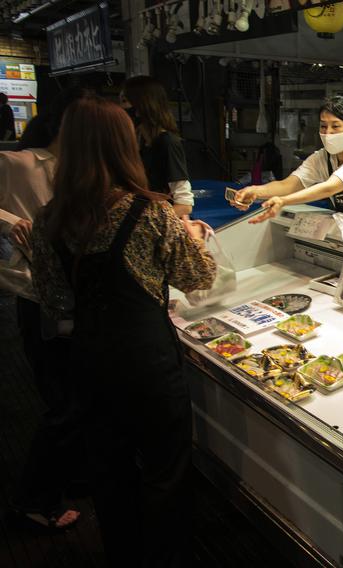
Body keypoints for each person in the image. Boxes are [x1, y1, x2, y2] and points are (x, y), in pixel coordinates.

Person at [31, 96, 216, 565]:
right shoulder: (150, 211)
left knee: (108, 473)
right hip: (149, 364)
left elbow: (54, 301)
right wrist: (194, 237)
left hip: (90, 361)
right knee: (164, 471)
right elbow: (197, 278)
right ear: (124, 146)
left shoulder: (48, 219)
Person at [1, 86, 93, 529]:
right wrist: (9, 221)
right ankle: (33, 499)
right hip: (36, 293)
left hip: (71, 294)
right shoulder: (20, 161)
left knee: (76, 395)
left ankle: (71, 476)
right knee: (64, 403)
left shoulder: (79, 170)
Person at [232, 95, 343, 221]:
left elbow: (329, 187)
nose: (328, 133)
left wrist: (283, 201)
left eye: (336, 126)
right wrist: (255, 191)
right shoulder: (321, 158)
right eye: (323, 126)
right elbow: (289, 185)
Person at [121, 75, 194, 217]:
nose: (120, 108)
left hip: (159, 231)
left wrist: (145, 223)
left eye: (125, 101)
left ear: (142, 105)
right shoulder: (137, 142)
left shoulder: (167, 143)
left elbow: (184, 205)